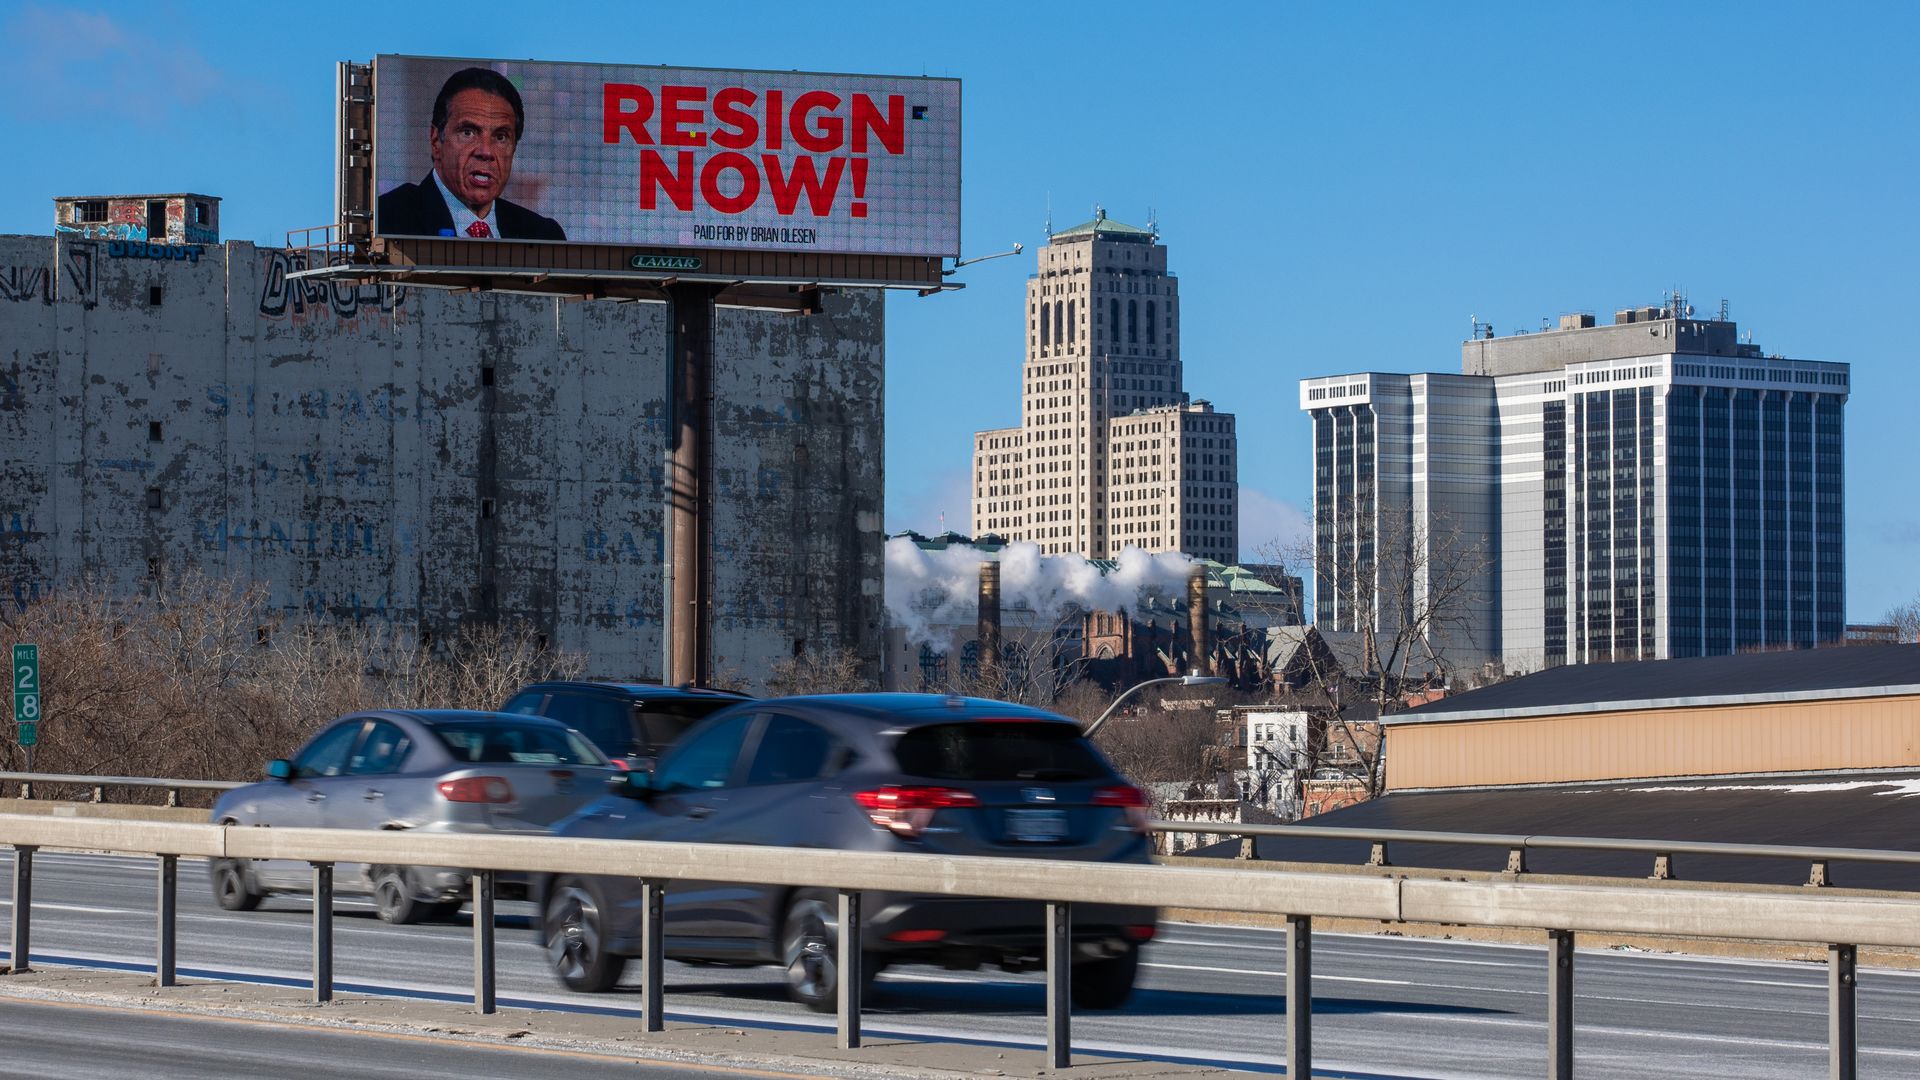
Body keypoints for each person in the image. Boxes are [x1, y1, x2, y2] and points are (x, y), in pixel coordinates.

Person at [377, 67, 566, 241]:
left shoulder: (543, 235)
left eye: (500, 137)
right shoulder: (386, 219)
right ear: (436, 141)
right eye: (468, 133)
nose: (486, 152)